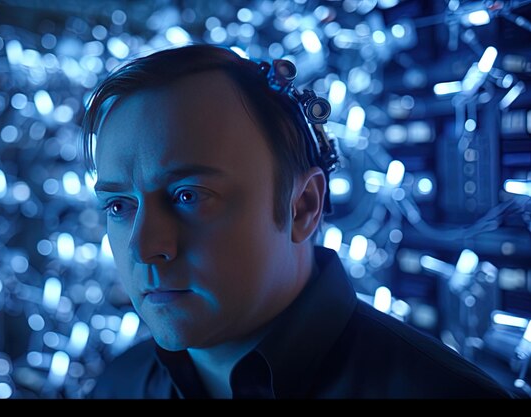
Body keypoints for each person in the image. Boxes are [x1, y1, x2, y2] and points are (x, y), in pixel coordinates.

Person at [83, 44, 511, 399]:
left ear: (303, 206)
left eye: (188, 195)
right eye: (119, 206)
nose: (144, 247)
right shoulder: (117, 385)